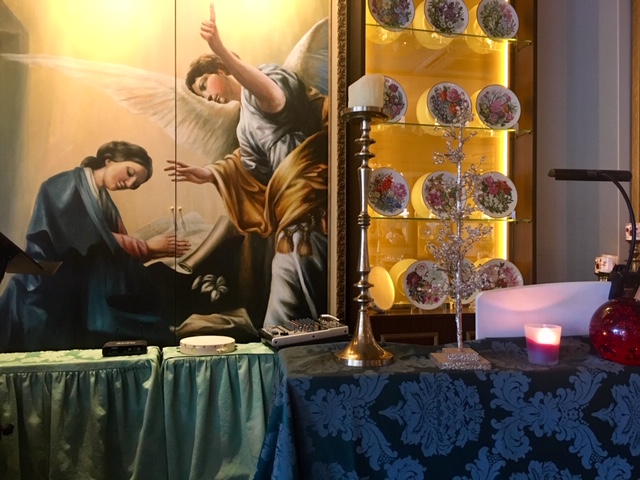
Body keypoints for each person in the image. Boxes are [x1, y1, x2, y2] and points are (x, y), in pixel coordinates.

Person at [166, 2, 328, 327]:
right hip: (290, 207)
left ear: (222, 69)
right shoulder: (243, 124)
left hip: (310, 194)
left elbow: (274, 98)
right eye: (199, 94)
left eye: (204, 84)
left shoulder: (264, 81)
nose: (206, 97)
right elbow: (250, 169)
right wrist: (210, 174)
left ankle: (291, 342)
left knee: (293, 274)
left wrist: (220, 49)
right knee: (286, 278)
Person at [0, 140, 190, 352]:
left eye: (135, 184)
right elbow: (83, 238)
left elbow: (110, 248)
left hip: (85, 281)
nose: (129, 183)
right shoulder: (63, 185)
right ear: (109, 160)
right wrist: (146, 248)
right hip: (51, 279)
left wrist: (146, 251)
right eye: (130, 173)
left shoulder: (104, 201)